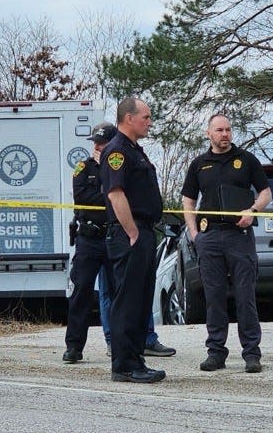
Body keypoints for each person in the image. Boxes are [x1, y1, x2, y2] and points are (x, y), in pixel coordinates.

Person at [62, 121, 176, 363]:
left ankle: (131, 341)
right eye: (96, 143)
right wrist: (113, 193)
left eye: (103, 143)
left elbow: (130, 196)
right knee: (82, 290)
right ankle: (74, 346)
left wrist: (115, 193)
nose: (99, 147)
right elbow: (84, 197)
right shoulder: (84, 168)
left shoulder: (122, 160)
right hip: (90, 238)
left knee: (123, 293)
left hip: (115, 235)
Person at [181, 113, 272, 373]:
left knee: (245, 296)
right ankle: (216, 352)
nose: (225, 134)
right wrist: (194, 233)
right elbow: (188, 200)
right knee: (214, 297)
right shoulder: (200, 164)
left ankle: (251, 354)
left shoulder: (245, 160)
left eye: (228, 130)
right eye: (219, 130)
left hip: (239, 237)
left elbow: (266, 192)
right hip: (209, 237)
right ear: (208, 133)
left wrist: (253, 210)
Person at [100, 98, 166, 383]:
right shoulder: (117, 151)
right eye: (146, 117)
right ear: (129, 118)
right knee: (127, 300)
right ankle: (124, 365)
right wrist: (132, 232)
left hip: (143, 231)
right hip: (130, 234)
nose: (149, 122)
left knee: (139, 300)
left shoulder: (134, 150)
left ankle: (136, 359)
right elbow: (116, 194)